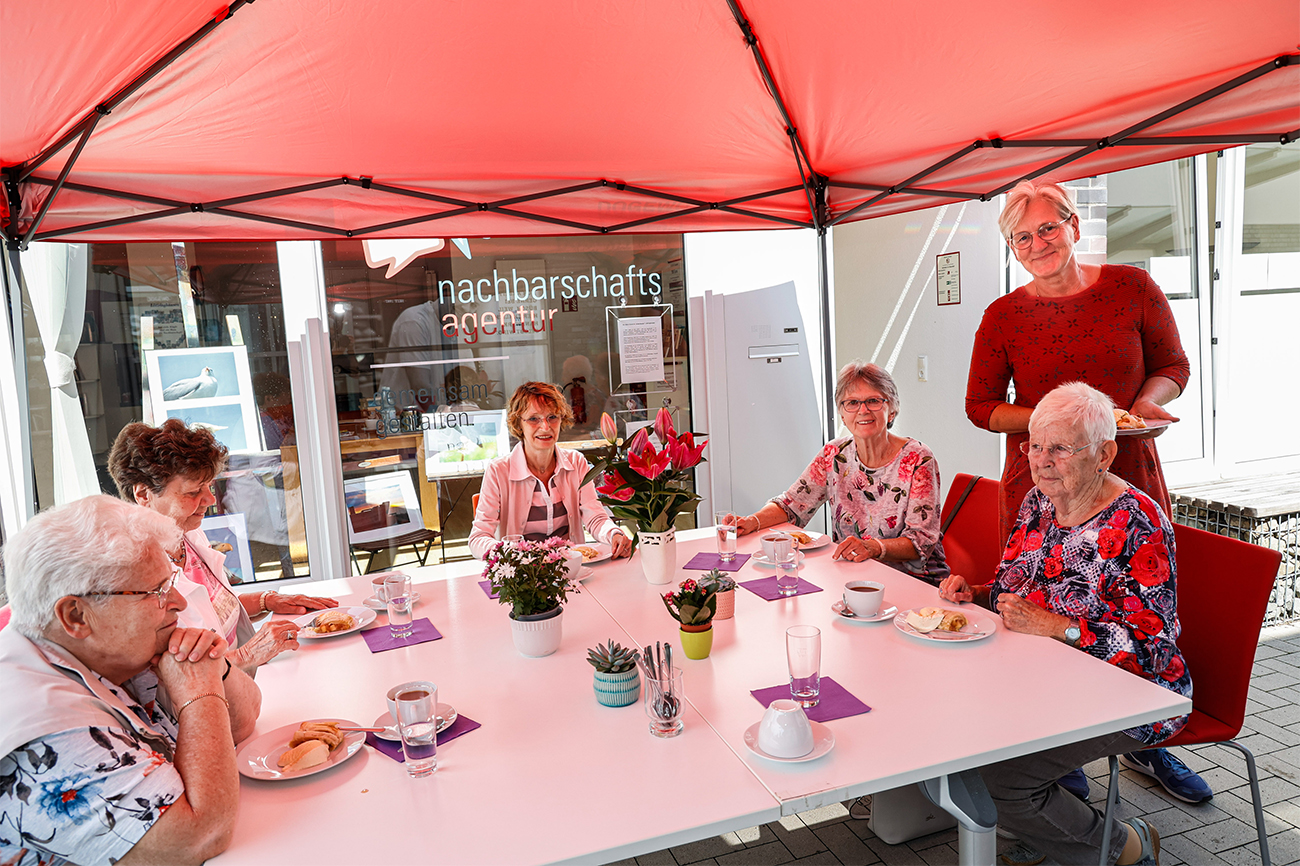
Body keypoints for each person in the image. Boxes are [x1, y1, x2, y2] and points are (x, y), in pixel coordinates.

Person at [965, 179, 1208, 805]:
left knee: (1136, 599)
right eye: (1023, 236)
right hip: (1041, 478)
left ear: (1074, 225)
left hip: (1125, 463)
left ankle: (1148, 743)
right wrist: (1060, 425)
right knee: (1037, 602)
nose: (1039, 243)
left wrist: (1140, 408)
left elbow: (1173, 366)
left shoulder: (1132, 287)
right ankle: (1055, 758)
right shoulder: (1003, 315)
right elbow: (981, 406)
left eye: (1049, 227)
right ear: (1013, 249)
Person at [940, 383, 1189, 866]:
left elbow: (1151, 649)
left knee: (1004, 782)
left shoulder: (1136, 523)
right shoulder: (1039, 501)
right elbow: (1017, 585)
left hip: (1135, 695)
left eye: (1059, 448)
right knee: (946, 717)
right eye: (1034, 445)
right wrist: (977, 594)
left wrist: (1058, 627)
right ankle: (1051, 826)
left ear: (1105, 453)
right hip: (1040, 675)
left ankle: (1128, 846)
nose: (1041, 460)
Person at [0, 495, 260, 865]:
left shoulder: (113, 650)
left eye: (169, 582)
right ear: (76, 615)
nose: (178, 603)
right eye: (155, 592)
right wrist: (200, 693)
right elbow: (197, 837)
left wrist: (210, 667)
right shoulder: (39, 726)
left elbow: (244, 722)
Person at [109, 420, 338, 674]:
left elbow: (210, 610)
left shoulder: (187, 536)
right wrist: (247, 654)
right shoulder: (135, 582)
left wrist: (267, 601)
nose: (210, 499)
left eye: (208, 485)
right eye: (194, 491)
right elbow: (168, 681)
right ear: (143, 495)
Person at [734, 361, 948, 584]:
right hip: (854, 576)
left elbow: (921, 541)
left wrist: (873, 547)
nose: (863, 410)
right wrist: (752, 521)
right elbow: (791, 505)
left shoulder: (918, 458)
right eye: (852, 403)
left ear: (892, 409)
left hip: (914, 581)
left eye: (873, 401)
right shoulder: (835, 454)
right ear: (843, 415)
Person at [469, 381, 633, 560]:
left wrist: (614, 534)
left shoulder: (576, 462)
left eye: (552, 417)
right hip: (523, 573)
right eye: (533, 419)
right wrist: (510, 553)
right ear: (518, 424)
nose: (545, 427)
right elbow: (478, 538)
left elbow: (595, 518)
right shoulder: (498, 471)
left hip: (570, 569)